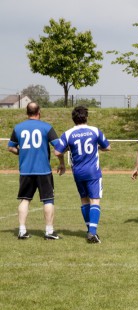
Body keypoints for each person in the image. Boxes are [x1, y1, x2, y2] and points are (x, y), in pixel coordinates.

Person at [7, 102, 66, 240]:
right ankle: (49, 231)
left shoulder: (18, 128)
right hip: (43, 170)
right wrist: (62, 163)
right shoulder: (46, 127)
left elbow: (10, 147)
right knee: (48, 200)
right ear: (39, 111)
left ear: (27, 112)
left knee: (25, 200)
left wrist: (20, 153)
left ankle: (22, 231)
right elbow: (58, 148)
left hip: (26, 171)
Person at [54, 106, 111, 244]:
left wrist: (62, 163)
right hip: (93, 171)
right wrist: (97, 147)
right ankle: (92, 232)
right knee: (95, 200)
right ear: (86, 117)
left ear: (73, 119)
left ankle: (89, 230)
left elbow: (57, 152)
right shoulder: (95, 131)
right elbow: (108, 147)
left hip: (78, 172)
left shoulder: (68, 134)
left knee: (84, 200)